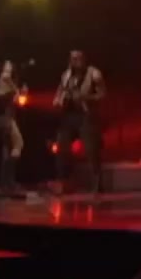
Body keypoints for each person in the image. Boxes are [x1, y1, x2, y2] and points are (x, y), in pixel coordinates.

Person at [52, 51, 107, 194]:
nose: (75, 61)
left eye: (78, 58)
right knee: (62, 148)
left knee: (91, 149)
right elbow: (59, 91)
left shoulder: (93, 73)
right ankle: (63, 182)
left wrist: (85, 97)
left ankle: (97, 183)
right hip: (68, 115)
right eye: (72, 59)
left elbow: (102, 94)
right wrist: (58, 100)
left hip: (85, 115)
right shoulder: (66, 75)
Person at [0, 61, 27, 193]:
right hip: (5, 117)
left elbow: (17, 102)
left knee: (8, 148)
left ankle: (6, 181)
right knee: (18, 143)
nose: (9, 67)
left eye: (10, 65)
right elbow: (9, 86)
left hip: (7, 117)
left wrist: (21, 93)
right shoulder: (4, 78)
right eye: (6, 65)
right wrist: (17, 90)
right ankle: (8, 180)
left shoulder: (7, 84)